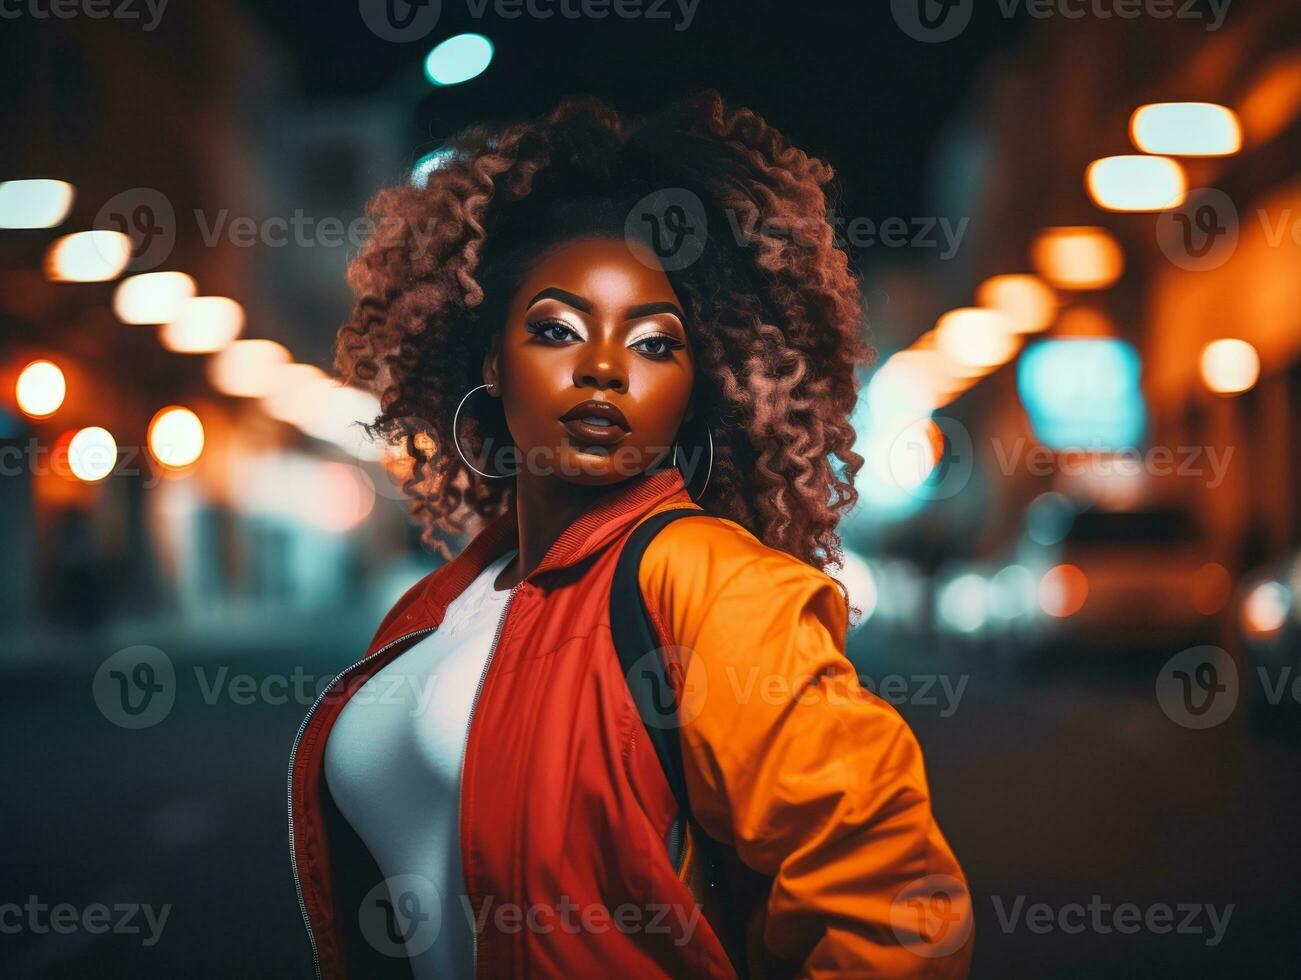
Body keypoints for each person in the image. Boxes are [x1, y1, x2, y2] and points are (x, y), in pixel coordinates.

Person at [288, 91, 971, 979]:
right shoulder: (445, 601)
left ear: (699, 383)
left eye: (654, 343)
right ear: (491, 361)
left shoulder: (712, 585)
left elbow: (895, 916)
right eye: (557, 330)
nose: (605, 366)